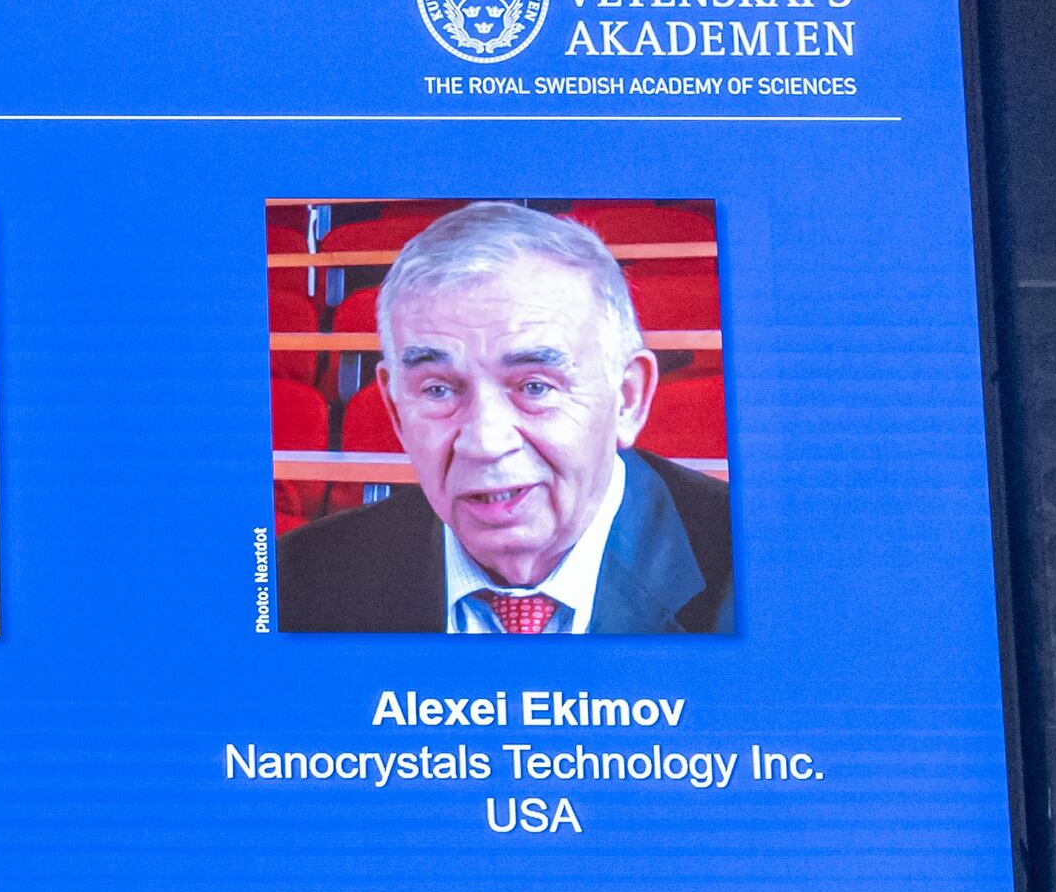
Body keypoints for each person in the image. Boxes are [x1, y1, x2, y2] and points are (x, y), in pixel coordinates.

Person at [274, 199, 731, 637]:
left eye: (535, 386)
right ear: (395, 410)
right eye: (437, 390)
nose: (485, 442)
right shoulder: (297, 584)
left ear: (628, 399)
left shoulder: (756, 566)